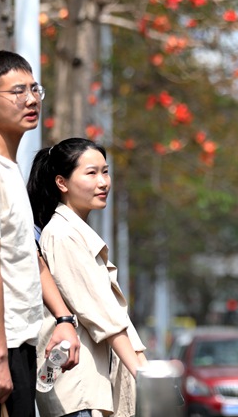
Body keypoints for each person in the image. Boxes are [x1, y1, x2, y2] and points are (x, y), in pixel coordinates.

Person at [0, 51, 81, 417]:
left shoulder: (7, 167)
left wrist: (64, 320)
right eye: (17, 91)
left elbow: (29, 257)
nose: (31, 99)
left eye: (34, 89)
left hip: (16, 344)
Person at [27, 138, 148, 417]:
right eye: (91, 173)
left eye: (105, 171)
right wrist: (145, 376)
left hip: (87, 393)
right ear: (62, 182)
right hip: (79, 395)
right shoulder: (62, 234)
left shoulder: (73, 231)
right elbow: (104, 316)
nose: (103, 182)